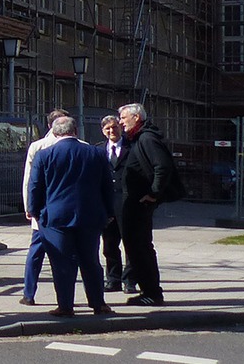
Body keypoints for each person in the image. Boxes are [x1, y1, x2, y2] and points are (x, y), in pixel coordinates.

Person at [27, 115, 115, 317]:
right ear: (75, 131)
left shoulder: (45, 155)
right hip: (89, 215)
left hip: (56, 217)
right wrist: (108, 211)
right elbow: (106, 186)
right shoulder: (95, 153)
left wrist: (36, 212)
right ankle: (98, 303)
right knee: (90, 260)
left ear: (54, 132)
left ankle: (65, 306)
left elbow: (35, 187)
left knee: (61, 262)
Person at [116, 102, 179, 306]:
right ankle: (148, 291)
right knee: (135, 248)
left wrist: (153, 193)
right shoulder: (139, 137)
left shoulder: (147, 138)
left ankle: (152, 292)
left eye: (124, 118)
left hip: (140, 204)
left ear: (136, 117)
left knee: (140, 248)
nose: (120, 122)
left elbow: (163, 166)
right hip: (134, 202)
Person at [20, 107, 70, 306]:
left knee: (36, 252)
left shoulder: (38, 146)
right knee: (67, 255)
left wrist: (29, 206)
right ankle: (67, 298)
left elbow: (29, 181)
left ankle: (28, 293)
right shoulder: (80, 145)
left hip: (43, 209)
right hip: (64, 210)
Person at [99, 114, 131, 293]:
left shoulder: (131, 147)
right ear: (103, 132)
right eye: (108, 129)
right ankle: (113, 279)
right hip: (107, 205)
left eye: (115, 127)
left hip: (127, 203)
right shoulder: (98, 150)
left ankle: (130, 280)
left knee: (129, 244)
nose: (112, 131)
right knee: (109, 244)